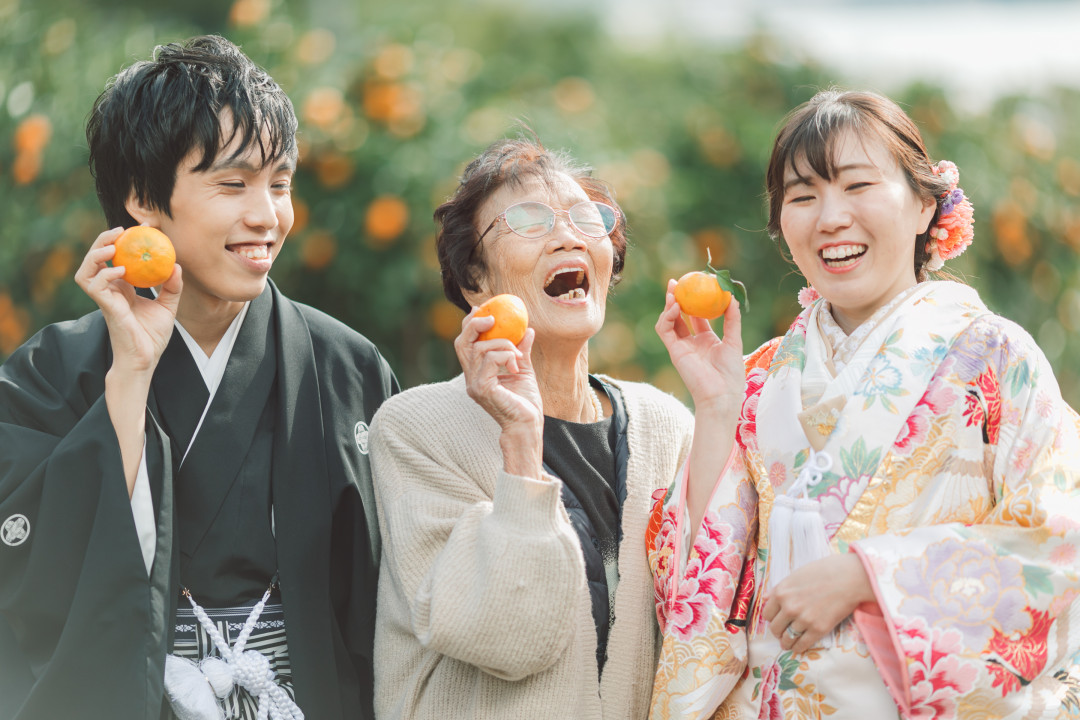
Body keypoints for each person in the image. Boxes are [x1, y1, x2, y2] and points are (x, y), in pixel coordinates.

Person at [648, 89, 1080, 719]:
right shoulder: (761, 374)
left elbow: (1058, 538)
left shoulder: (992, 356)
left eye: (857, 186)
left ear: (925, 207)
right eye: (802, 196)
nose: (830, 217)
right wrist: (716, 408)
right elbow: (702, 576)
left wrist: (868, 576)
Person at [0, 35, 397, 720]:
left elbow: (393, 592)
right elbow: (30, 577)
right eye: (233, 184)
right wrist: (129, 375)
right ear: (142, 200)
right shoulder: (51, 373)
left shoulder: (347, 364)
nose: (266, 215)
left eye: (279, 183)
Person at [368, 135, 694, 719]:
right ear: (475, 283)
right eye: (529, 220)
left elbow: (708, 628)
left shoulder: (666, 427)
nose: (568, 235)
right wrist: (521, 444)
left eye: (586, 218)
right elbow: (508, 639)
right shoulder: (418, 429)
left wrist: (720, 406)